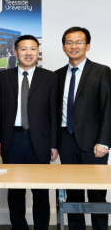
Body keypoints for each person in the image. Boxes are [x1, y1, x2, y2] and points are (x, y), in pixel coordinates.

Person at [0, 35, 58, 230]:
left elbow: (55, 114)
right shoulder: (3, 77)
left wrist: (54, 143)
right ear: (15, 52)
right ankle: (19, 227)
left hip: (39, 140)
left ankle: (41, 227)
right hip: (11, 139)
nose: (28, 53)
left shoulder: (50, 78)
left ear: (38, 52)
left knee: (40, 191)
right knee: (15, 191)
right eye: (23, 49)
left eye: (33, 48)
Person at [55, 27, 111, 230]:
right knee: (73, 193)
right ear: (63, 47)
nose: (74, 46)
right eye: (69, 43)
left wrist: (104, 141)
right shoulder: (58, 75)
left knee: (97, 194)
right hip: (66, 140)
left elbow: (108, 107)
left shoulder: (101, 71)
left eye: (79, 42)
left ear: (87, 46)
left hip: (94, 142)